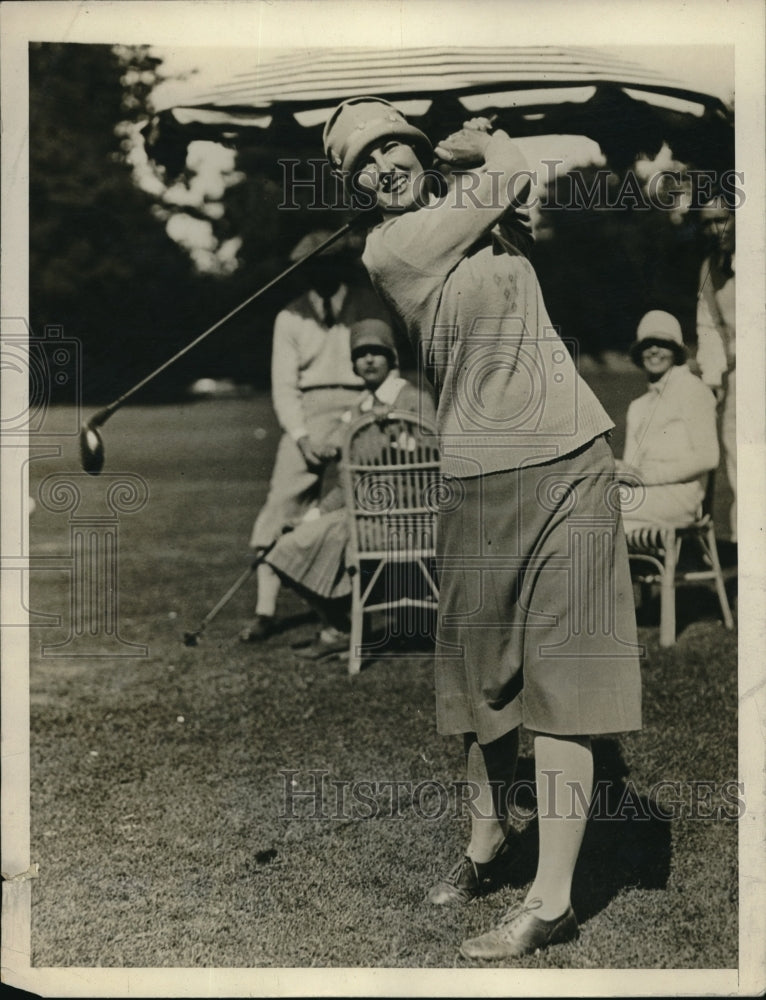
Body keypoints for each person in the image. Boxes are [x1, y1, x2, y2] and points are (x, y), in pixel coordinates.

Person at [322, 97, 642, 961]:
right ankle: (487, 836)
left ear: (415, 149)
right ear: (354, 189)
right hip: (480, 474)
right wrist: (487, 147)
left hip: (573, 455)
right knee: (485, 684)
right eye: (361, 165)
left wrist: (476, 148)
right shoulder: (391, 249)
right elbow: (510, 172)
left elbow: (571, 156)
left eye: (391, 148)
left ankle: (550, 901)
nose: (381, 168)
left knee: (569, 681)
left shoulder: (490, 221)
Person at [240, 232, 393, 642]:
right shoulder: (290, 316)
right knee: (280, 506)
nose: (319, 273)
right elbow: (284, 387)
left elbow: (385, 367)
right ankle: (265, 611)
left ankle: (352, 607)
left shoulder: (368, 304)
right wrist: (302, 437)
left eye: (328, 264)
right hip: (307, 412)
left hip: (362, 405)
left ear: (342, 265)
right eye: (311, 267)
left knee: (355, 504)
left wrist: (356, 420)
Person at [263, 319, 436, 660]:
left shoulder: (414, 399)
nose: (369, 360)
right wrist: (311, 516)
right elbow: (349, 482)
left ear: (392, 358)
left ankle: (343, 630)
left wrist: (397, 434)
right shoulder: (359, 410)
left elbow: (434, 458)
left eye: (377, 352)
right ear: (353, 364)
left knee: (316, 541)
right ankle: (340, 626)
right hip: (363, 520)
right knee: (285, 546)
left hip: (411, 519)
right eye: (360, 354)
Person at [617, 310, 719, 533]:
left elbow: (708, 457)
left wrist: (647, 477)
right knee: (584, 503)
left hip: (679, 498)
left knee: (596, 511)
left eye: (663, 344)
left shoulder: (694, 391)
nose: (654, 350)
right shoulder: (638, 406)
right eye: (647, 344)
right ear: (639, 352)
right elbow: (631, 467)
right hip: (643, 495)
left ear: (675, 351)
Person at [695, 197, 736, 541]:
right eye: (707, 222)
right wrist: (712, 378)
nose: (714, 229)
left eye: (720, 219)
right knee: (739, 457)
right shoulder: (711, 266)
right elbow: (708, 325)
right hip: (738, 379)